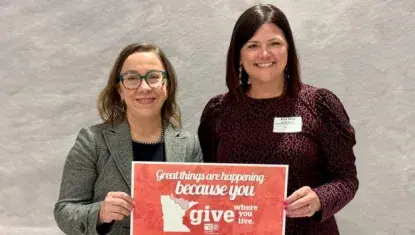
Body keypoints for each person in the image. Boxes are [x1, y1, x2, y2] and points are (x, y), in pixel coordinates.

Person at [197, 4, 358, 234]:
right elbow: (210, 184)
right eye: (253, 45)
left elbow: (347, 179)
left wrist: (319, 198)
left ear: (289, 50)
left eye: (274, 43)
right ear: (238, 56)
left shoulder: (319, 104)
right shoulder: (218, 111)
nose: (264, 54)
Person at [54, 42, 203, 235]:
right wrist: (100, 213)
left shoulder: (189, 145)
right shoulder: (92, 140)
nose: (144, 87)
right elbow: (64, 211)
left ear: (167, 84)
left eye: (154, 77)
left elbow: (199, 212)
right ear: (119, 90)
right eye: (132, 78)